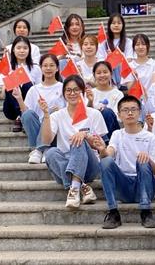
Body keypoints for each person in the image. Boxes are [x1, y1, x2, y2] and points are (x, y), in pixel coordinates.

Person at [91, 95, 155, 229]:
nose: (129, 113)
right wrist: (102, 150)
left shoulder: (151, 137)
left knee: (143, 161)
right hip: (123, 187)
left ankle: (146, 212)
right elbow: (109, 153)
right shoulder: (117, 134)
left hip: (145, 186)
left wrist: (148, 160)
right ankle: (113, 212)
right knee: (105, 161)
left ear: (139, 113)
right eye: (125, 110)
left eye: (133, 109)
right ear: (119, 115)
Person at [41, 75, 108, 209]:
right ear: (64, 93)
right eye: (68, 90)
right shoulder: (56, 116)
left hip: (90, 165)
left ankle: (74, 189)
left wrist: (85, 135)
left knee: (78, 141)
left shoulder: (94, 114)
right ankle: (80, 186)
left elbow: (102, 146)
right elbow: (47, 140)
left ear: (82, 91)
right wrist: (46, 115)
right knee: (51, 153)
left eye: (76, 90)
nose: (72, 93)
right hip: (66, 163)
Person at [16, 54, 65, 164]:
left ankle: (38, 149)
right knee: (27, 114)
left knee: (51, 112)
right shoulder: (34, 89)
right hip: (37, 128)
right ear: (41, 68)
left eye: (51, 65)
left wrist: (60, 110)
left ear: (57, 68)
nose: (48, 68)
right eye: (45, 65)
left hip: (54, 128)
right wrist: (19, 98)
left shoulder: (63, 87)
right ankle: (40, 149)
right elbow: (25, 114)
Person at [0, 36, 42, 132]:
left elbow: (40, 91)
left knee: (27, 84)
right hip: (11, 110)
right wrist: (7, 84)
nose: (22, 51)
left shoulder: (36, 69)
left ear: (29, 50)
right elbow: (2, 96)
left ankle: (22, 117)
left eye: (25, 48)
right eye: (18, 48)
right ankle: (21, 116)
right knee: (12, 84)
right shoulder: (8, 68)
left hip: (30, 108)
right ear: (13, 50)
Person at [86, 61, 124, 139]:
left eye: (105, 72)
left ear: (111, 74)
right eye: (99, 73)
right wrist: (90, 101)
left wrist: (102, 113)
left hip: (112, 130)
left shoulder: (118, 94)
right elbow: (87, 115)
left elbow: (118, 117)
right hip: (94, 128)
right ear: (94, 75)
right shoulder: (90, 93)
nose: (102, 75)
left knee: (106, 112)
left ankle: (106, 141)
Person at [97, 13, 133, 87]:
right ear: (109, 25)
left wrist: (115, 59)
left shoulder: (128, 42)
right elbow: (100, 60)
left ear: (123, 25)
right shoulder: (104, 43)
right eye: (113, 23)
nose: (116, 25)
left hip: (124, 76)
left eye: (119, 23)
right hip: (108, 78)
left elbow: (129, 60)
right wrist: (109, 59)